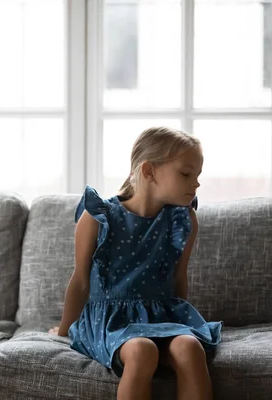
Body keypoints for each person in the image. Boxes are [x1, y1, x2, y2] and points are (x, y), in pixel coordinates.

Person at [49, 127, 222, 400]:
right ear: (149, 171)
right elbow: (81, 281)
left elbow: (178, 280)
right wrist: (63, 331)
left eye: (198, 175)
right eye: (186, 174)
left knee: (190, 348)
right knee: (142, 351)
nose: (196, 183)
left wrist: (181, 325)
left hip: (163, 315)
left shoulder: (183, 220)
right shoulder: (98, 217)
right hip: (111, 320)